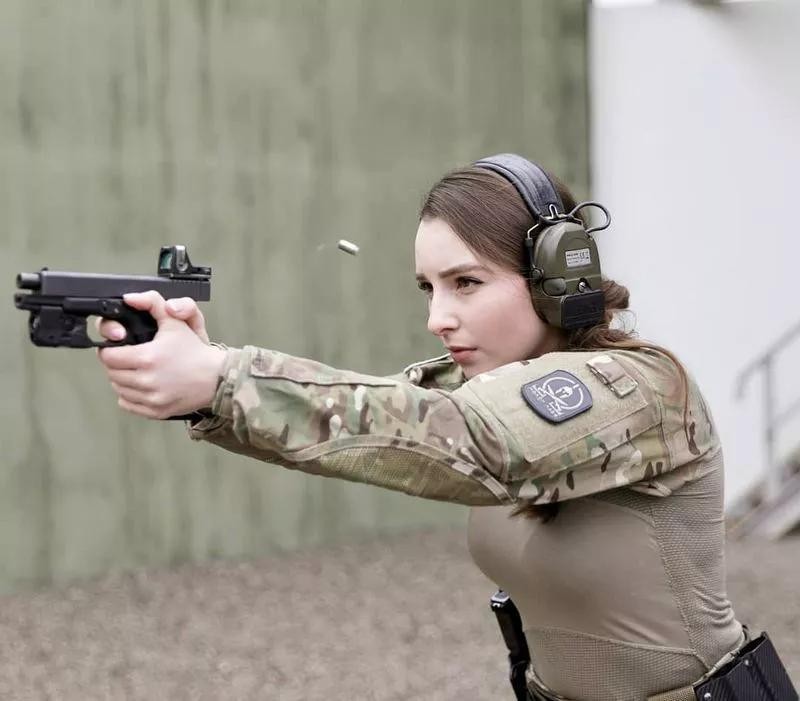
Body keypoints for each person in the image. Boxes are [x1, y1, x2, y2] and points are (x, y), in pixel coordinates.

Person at [95, 154, 746, 701]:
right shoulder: (484, 386)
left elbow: (471, 440)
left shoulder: (642, 387)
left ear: (557, 278)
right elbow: (360, 421)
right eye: (428, 288)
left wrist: (222, 377)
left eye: (466, 282)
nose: (438, 317)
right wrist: (203, 381)